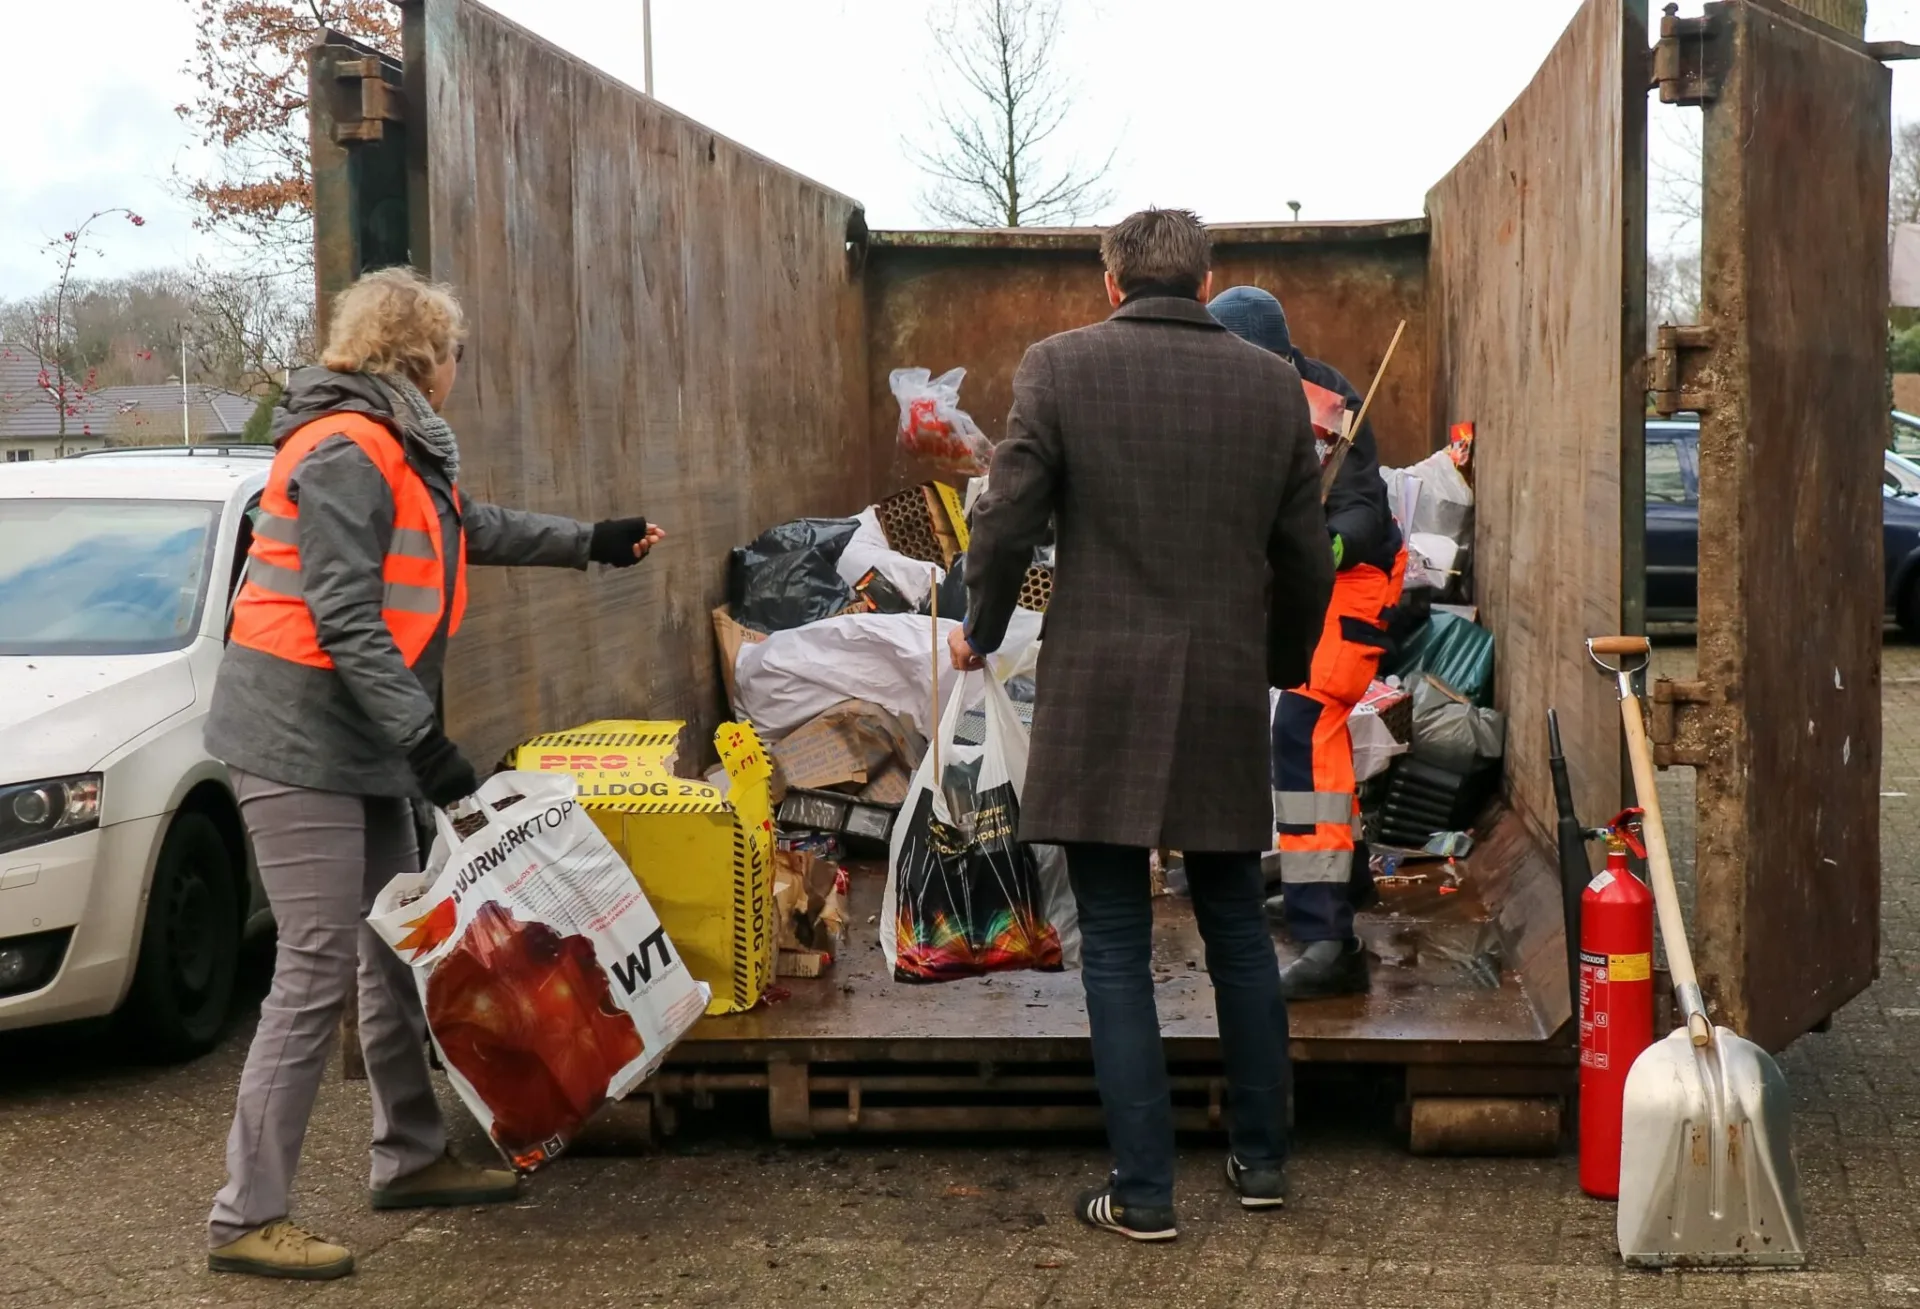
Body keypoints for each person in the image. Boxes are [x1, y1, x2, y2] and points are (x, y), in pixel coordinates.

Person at [201, 266, 664, 1280]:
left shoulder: (402, 449)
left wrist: (592, 540)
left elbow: (471, 527)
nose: (460, 369)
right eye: (456, 353)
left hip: (354, 740)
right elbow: (346, 617)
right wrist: (429, 746)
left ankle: (408, 1158)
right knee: (317, 961)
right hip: (295, 740)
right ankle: (245, 1214)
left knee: (395, 951)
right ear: (423, 357)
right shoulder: (344, 448)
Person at [953, 209, 1333, 1242]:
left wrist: (977, 629)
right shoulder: (1268, 385)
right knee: (1238, 936)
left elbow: (1005, 515)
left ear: (1110, 279)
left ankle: (1146, 1191)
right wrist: (1280, 663)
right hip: (1218, 685)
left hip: (1102, 689)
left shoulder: (1059, 366)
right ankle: (1262, 1164)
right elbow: (1308, 556)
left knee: (1116, 945)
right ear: (1207, 283)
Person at [1207, 286, 1409, 1000]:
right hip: (1302, 578)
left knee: (1306, 724)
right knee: (1306, 729)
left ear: (1276, 356)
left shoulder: (1331, 400)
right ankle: (1337, 882)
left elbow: (1363, 506)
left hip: (1353, 577)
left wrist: (1326, 541)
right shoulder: (1228, 390)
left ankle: (1329, 938)